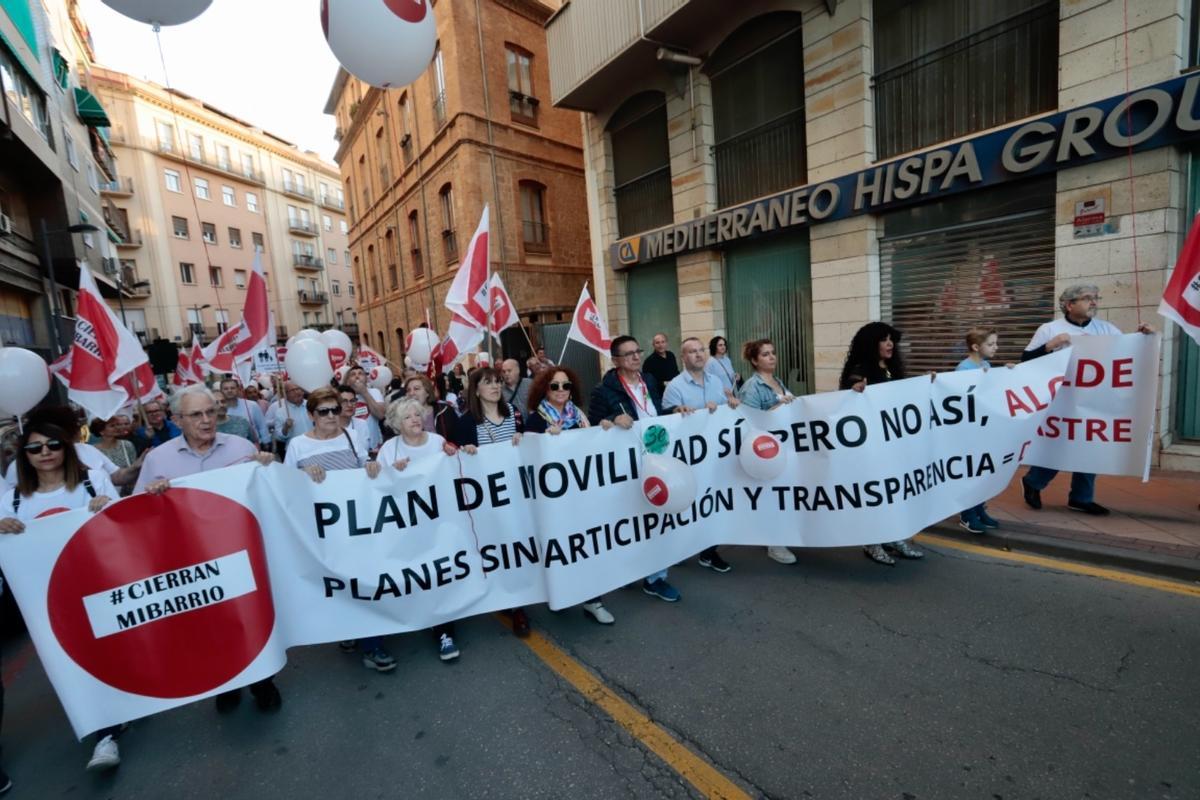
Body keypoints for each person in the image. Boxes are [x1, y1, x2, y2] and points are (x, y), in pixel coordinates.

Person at [136, 384, 281, 710]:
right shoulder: (159, 459)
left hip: (241, 553)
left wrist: (269, 467)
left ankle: (263, 682)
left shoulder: (242, 447)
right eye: (196, 414)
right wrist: (152, 495)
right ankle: (226, 683)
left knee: (250, 622)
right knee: (211, 629)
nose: (206, 420)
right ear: (177, 419)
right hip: (193, 562)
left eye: (211, 412)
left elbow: (269, 494)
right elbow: (138, 513)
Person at [0, 411, 119, 776]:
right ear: (25, 456)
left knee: (103, 654)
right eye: (34, 448)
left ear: (66, 448)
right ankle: (102, 723)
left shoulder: (93, 481)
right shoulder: (12, 500)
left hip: (96, 585)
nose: (45, 453)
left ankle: (107, 730)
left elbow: (121, 527)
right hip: (45, 598)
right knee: (68, 660)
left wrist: (106, 506)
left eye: (53, 445)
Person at [1019, 284, 1156, 516]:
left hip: (1096, 400)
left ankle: (1081, 498)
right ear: (1069, 305)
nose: (1094, 302)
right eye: (1087, 298)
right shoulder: (1050, 329)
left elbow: (1127, 353)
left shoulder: (1106, 329)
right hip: (1062, 400)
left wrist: (1146, 337)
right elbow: (1026, 360)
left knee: (1090, 446)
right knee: (1060, 443)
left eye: (1095, 298)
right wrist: (1051, 345)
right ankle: (1034, 481)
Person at [285, 387, 391, 671]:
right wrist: (303, 475)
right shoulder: (297, 446)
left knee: (363, 580)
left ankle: (373, 646)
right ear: (311, 415)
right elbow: (285, 486)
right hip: (322, 530)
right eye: (324, 411)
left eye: (335, 410)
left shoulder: (351, 435)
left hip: (356, 523)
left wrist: (370, 466)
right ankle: (350, 630)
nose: (332, 416)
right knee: (340, 583)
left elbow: (363, 468)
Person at [588, 336, 684, 603]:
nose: (635, 357)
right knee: (631, 521)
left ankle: (656, 578)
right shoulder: (604, 390)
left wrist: (675, 409)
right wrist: (611, 418)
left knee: (657, 518)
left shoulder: (649, 381)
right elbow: (592, 426)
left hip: (657, 460)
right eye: (628, 354)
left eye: (637, 351)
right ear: (616, 361)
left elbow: (655, 412)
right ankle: (631, 569)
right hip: (627, 467)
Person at [526, 367, 616, 624]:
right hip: (553, 502)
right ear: (545, 389)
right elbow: (527, 458)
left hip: (581, 495)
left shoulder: (578, 416)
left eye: (566, 385)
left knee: (586, 545)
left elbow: (590, 446)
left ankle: (593, 600)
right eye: (555, 386)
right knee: (559, 550)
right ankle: (560, 595)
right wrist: (544, 439)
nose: (561, 390)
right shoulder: (536, 420)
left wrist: (602, 430)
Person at [378, 398, 462, 661]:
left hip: (442, 522)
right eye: (407, 417)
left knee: (442, 574)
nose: (415, 419)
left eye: (418, 414)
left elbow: (455, 470)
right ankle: (429, 619)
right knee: (422, 574)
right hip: (408, 526)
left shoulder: (437, 441)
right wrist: (390, 472)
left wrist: (453, 454)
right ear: (395, 424)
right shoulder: (389, 449)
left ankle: (444, 629)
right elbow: (375, 487)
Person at [452, 367, 531, 636]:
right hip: (485, 500)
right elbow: (450, 460)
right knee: (494, 548)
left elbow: (532, 444)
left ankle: (519, 605)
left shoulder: (514, 414)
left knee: (517, 544)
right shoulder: (464, 423)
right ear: (476, 389)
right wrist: (463, 451)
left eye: (498, 382)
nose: (495, 387)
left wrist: (524, 439)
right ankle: (499, 596)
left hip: (517, 494)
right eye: (488, 383)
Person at [839, 322, 924, 565]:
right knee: (878, 495)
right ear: (871, 344)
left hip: (893, 446)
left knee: (894, 495)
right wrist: (854, 388)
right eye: (884, 339)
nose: (890, 344)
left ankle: (893, 537)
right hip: (871, 449)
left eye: (891, 339)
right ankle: (872, 541)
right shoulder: (859, 370)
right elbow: (850, 391)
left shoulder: (892, 367)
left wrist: (928, 385)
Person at [663, 337, 739, 574]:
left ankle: (708, 552)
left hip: (714, 455)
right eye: (692, 352)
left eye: (701, 350)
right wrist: (677, 411)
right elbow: (667, 420)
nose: (698, 355)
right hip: (689, 458)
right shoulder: (675, 387)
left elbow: (725, 412)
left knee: (713, 503)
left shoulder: (716, 381)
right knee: (688, 504)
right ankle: (680, 547)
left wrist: (731, 404)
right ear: (683, 357)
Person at [736, 339, 800, 566]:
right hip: (765, 450)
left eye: (773, 353)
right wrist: (778, 408)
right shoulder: (752, 387)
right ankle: (774, 542)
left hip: (783, 447)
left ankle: (776, 535)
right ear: (754, 360)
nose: (772, 357)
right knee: (772, 495)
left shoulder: (777, 381)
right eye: (765, 354)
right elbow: (749, 421)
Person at [956, 327, 1002, 534]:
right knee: (971, 473)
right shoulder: (963, 369)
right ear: (976, 347)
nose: (996, 347)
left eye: (995, 343)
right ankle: (967, 515)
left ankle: (979, 509)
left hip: (983, 428)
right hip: (969, 432)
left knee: (983, 471)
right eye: (991, 344)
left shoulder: (986, 364)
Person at [266, 381, 312, 460]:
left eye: (298, 389)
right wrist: (286, 427)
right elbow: (279, 436)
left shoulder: (311, 405)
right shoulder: (281, 412)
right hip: (295, 451)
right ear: (285, 394)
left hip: (314, 446)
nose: (296, 392)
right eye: (292, 390)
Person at [344, 363, 386, 453]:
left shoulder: (374, 392)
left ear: (366, 379)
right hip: (353, 449)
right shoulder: (344, 396)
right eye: (353, 374)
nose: (357, 376)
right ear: (348, 381)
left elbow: (380, 415)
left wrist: (364, 392)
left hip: (374, 448)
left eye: (360, 373)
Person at [403, 374, 458, 441]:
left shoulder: (445, 410)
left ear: (427, 392)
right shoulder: (402, 417)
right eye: (408, 390)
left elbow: (460, 436)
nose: (411, 393)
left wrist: (466, 447)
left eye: (416, 389)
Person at [219, 378, 269, 447]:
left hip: (253, 446)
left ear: (238, 389)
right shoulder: (219, 409)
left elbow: (262, 425)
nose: (229, 390)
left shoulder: (252, 405)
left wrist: (266, 442)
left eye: (232, 388)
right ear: (221, 391)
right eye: (226, 389)